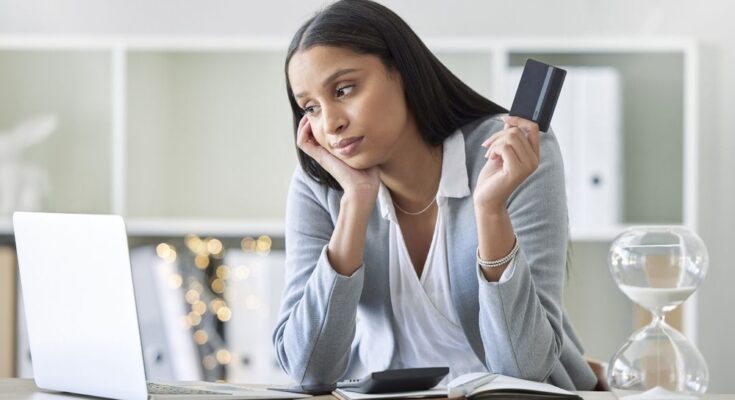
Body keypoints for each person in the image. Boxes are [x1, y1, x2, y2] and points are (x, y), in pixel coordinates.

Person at [272, 0, 598, 391]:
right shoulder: (320, 185)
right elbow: (309, 371)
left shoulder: (509, 156)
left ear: (402, 72)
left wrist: (490, 211)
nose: (331, 123)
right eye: (310, 108)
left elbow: (525, 368)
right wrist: (356, 203)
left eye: (344, 90)